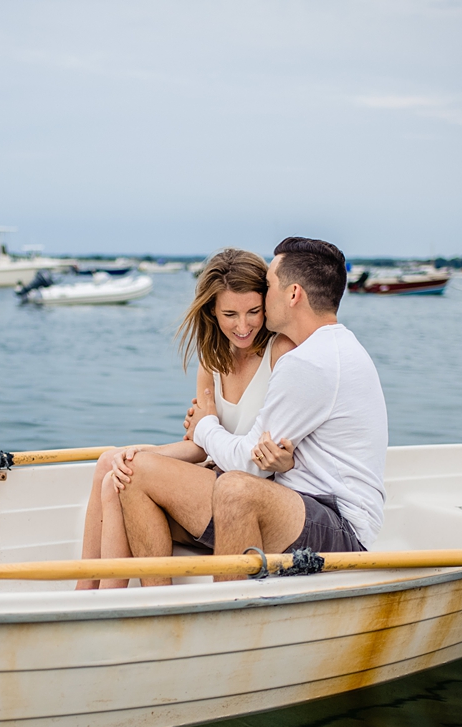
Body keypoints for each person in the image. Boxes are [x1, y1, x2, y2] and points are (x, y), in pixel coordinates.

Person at [118, 237, 388, 581]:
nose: (265, 293)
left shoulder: (311, 361)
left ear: (293, 294)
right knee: (135, 473)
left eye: (269, 285)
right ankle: (160, 610)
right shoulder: (327, 350)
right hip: (294, 503)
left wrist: (205, 426)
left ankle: (227, 618)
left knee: (236, 487)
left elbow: (250, 464)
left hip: (340, 526)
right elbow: (264, 453)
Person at [76, 248, 297, 589]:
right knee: (111, 464)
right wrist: (131, 454)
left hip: (251, 494)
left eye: (254, 311)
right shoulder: (212, 360)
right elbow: (198, 445)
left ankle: (125, 599)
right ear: (212, 311)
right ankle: (88, 594)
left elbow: (268, 451)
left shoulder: (280, 352)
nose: (243, 326)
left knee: (128, 474)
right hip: (215, 476)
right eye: (230, 314)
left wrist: (145, 460)